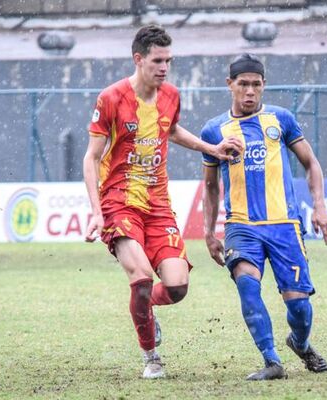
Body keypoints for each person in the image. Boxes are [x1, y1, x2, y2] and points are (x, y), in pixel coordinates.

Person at [83, 24, 243, 379]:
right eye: (158, 60)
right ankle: (151, 355)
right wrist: (96, 212)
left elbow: (171, 130)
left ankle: (142, 312)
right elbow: (91, 158)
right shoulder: (111, 98)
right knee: (140, 278)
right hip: (119, 204)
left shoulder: (171, 94)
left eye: (168, 60)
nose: (164, 67)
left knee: (177, 286)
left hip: (157, 205)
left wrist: (212, 148)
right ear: (138, 59)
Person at [201, 53, 327, 381]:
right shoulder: (213, 130)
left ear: (264, 86)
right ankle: (271, 361)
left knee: (299, 307)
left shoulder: (282, 119)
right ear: (229, 85)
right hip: (241, 226)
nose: (249, 91)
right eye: (243, 84)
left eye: (256, 85)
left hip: (284, 227)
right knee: (248, 286)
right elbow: (209, 187)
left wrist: (319, 206)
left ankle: (299, 343)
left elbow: (311, 163)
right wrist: (209, 232)